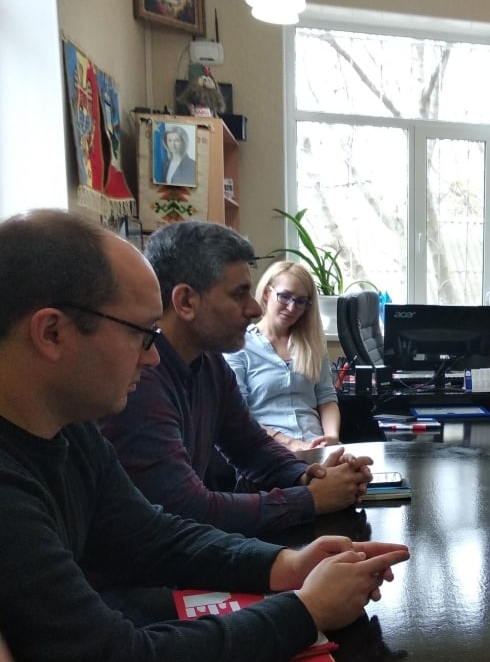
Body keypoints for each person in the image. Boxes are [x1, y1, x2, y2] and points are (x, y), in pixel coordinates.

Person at [0, 209, 410, 662]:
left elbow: (153, 534)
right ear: (52, 332)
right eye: (141, 334)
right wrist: (305, 610)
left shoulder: (69, 431)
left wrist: (283, 565)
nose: (154, 356)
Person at [98, 221, 370, 537]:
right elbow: (186, 509)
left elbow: (251, 447)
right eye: (239, 294)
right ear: (185, 302)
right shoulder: (140, 380)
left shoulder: (210, 362)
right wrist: (310, 499)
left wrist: (309, 476)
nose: (254, 309)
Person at [225, 261, 340, 452]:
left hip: (316, 446)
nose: (292, 308)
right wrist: (291, 444)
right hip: (267, 451)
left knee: (364, 469)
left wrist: (331, 438)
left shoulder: (313, 344)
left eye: (300, 301)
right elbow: (238, 415)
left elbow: (326, 398)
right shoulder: (239, 345)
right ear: (266, 293)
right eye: (285, 296)